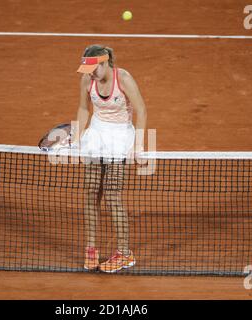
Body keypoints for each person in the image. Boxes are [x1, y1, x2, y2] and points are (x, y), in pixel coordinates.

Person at [74, 44, 147, 273]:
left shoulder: (123, 78)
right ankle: (91, 249)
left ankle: (124, 253)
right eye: (88, 69)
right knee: (91, 191)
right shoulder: (87, 80)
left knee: (113, 194)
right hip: (97, 133)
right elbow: (83, 109)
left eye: (94, 68)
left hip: (119, 135)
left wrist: (139, 146)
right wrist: (76, 138)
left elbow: (141, 110)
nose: (91, 73)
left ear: (105, 63)